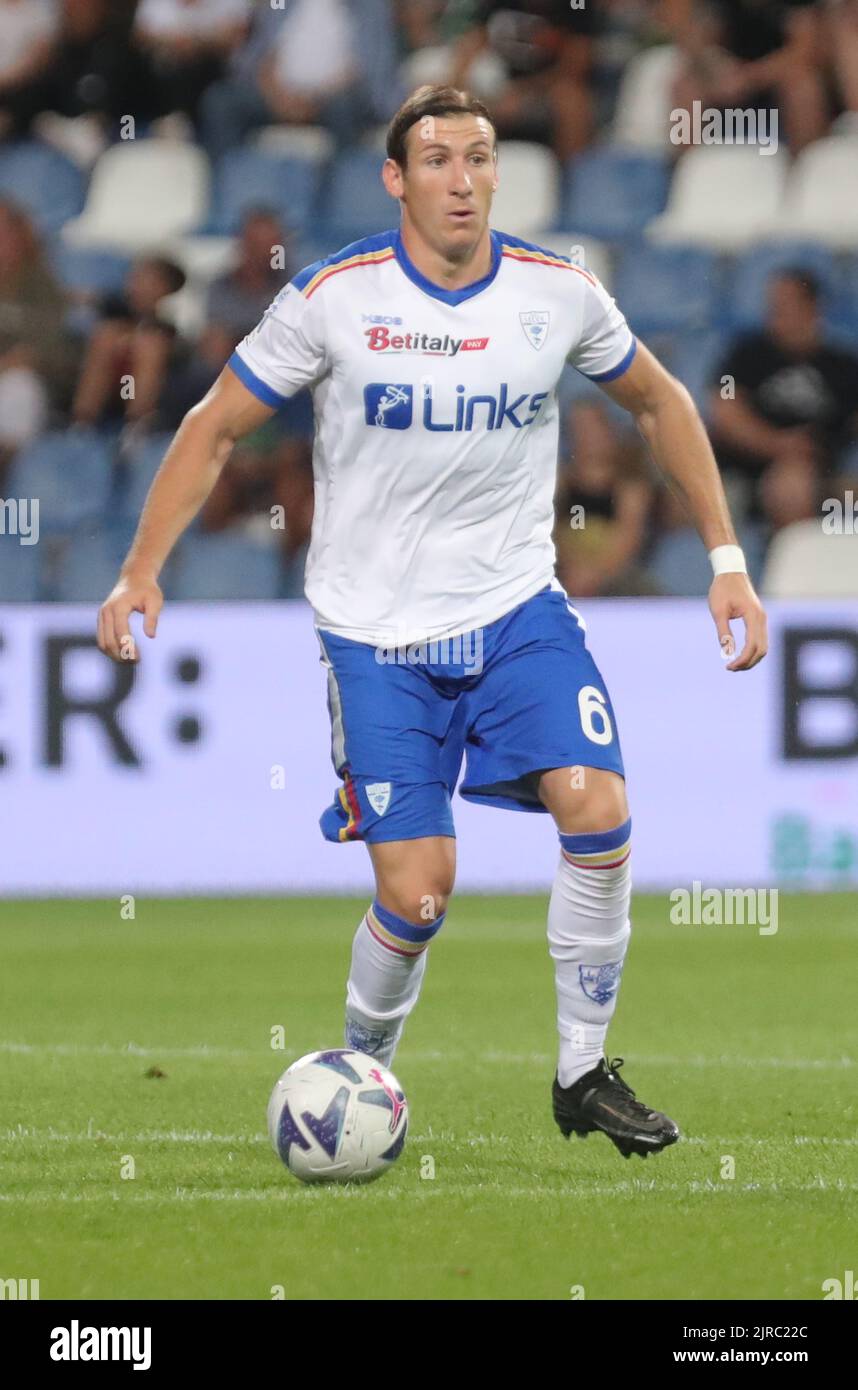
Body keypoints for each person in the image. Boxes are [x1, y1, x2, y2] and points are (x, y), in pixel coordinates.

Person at [97, 85, 767, 1161]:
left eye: (482, 157)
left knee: (600, 813)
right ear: (396, 180)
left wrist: (728, 562)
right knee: (418, 897)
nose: (463, 179)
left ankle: (581, 1071)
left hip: (516, 613)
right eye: (440, 160)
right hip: (376, 637)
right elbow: (215, 427)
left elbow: (660, 402)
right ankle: (363, 1072)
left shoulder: (559, 294)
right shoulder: (331, 298)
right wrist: (140, 570)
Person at [708, 268, 858, 523]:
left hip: (820, 468)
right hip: (746, 466)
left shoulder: (844, 367)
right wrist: (778, 444)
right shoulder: (741, 359)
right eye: (773, 304)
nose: (775, 312)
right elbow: (725, 407)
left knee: (797, 483)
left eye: (786, 304)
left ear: (813, 307)